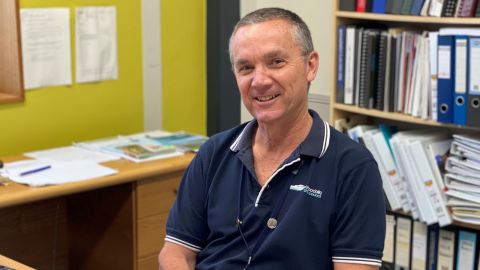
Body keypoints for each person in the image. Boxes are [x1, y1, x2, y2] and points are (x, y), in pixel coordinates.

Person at [158, 7, 386, 270]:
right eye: (245, 67)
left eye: (276, 62)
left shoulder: (352, 167)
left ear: (310, 66)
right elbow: (176, 251)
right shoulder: (214, 153)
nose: (260, 80)